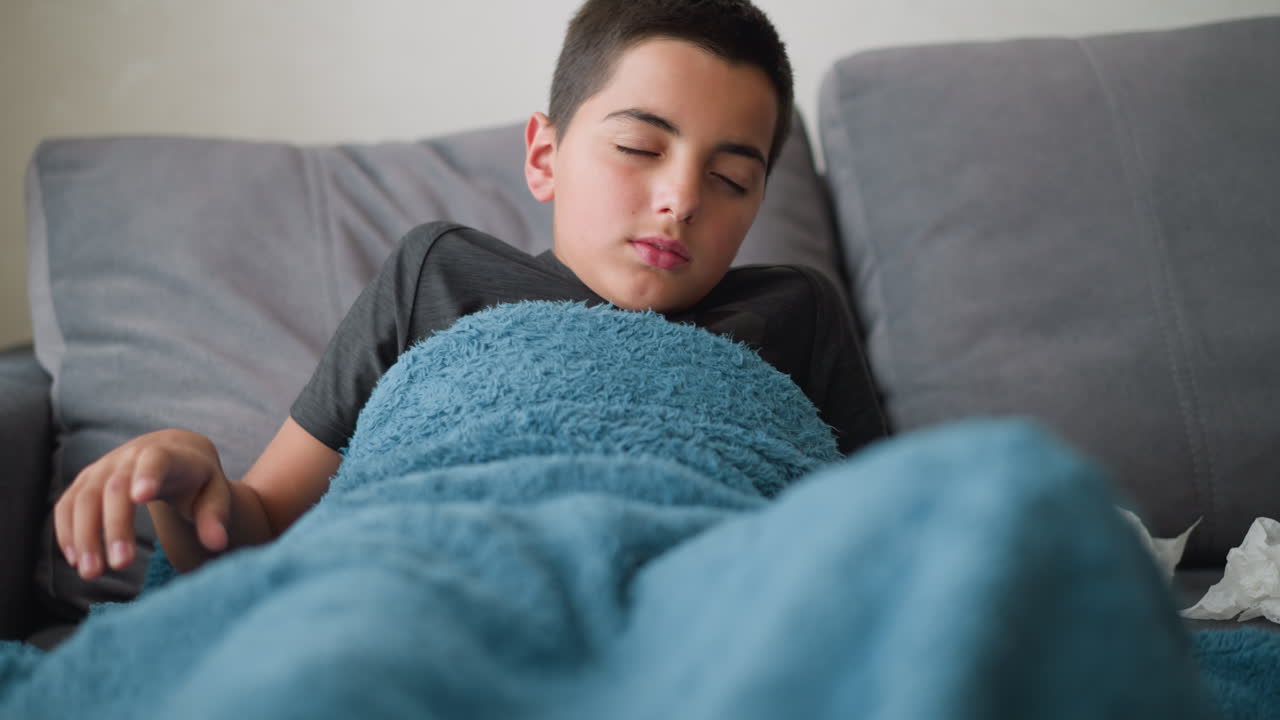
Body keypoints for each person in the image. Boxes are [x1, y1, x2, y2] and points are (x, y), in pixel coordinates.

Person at [53, 0, 887, 582]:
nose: (681, 199)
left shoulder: (797, 311)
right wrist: (185, 479)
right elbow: (258, 528)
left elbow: (891, 531)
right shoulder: (441, 273)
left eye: (733, 178)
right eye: (639, 147)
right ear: (544, 156)